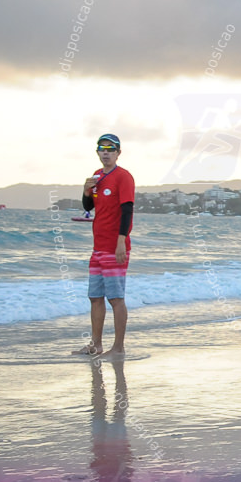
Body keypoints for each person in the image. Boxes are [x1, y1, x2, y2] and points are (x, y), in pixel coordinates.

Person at [72, 134, 135, 359]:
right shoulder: (97, 176)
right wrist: (86, 191)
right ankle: (96, 345)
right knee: (95, 297)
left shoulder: (123, 177)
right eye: (102, 149)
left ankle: (118, 347)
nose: (106, 152)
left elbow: (127, 210)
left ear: (118, 153)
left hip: (115, 246)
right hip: (97, 247)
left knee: (116, 298)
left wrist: (121, 241)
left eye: (111, 149)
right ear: (98, 152)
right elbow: (89, 206)